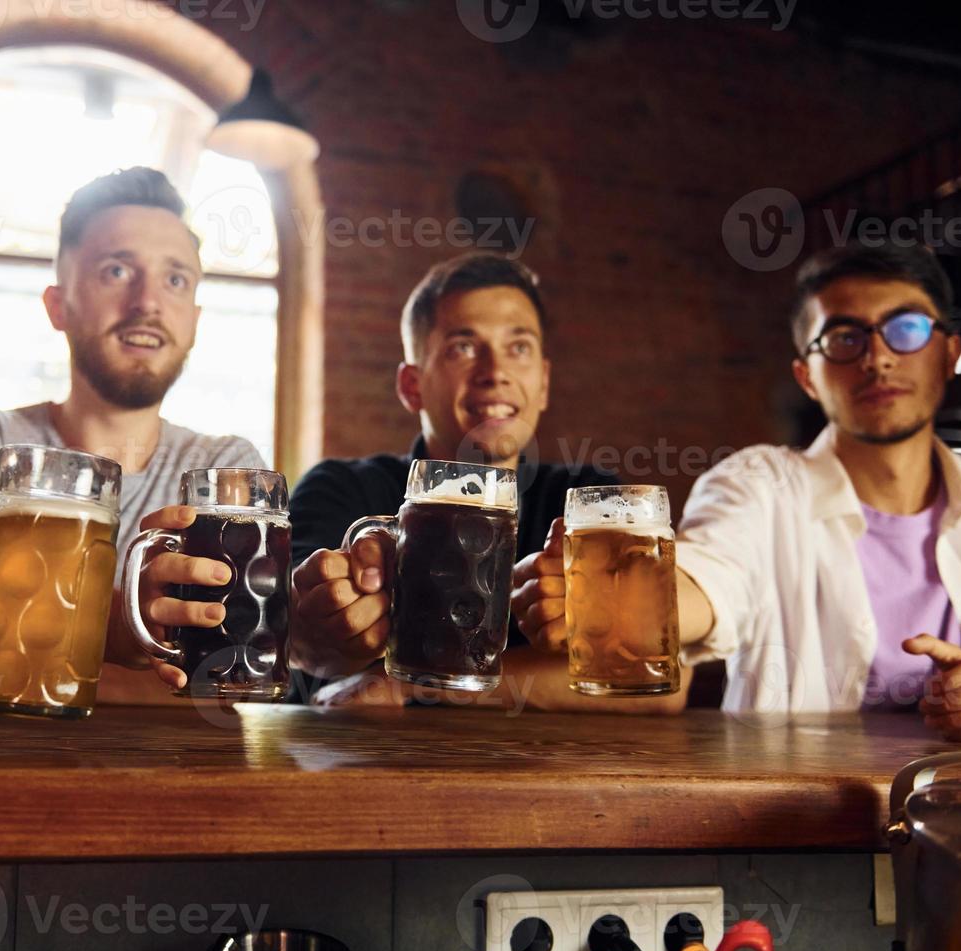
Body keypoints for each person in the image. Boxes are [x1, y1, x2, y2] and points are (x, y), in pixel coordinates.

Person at [524, 243, 961, 742]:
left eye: (907, 329)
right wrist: (611, 597)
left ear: (949, 354)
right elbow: (709, 583)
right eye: (843, 337)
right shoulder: (758, 485)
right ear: (806, 377)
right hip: (788, 818)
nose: (878, 358)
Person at [0, 167, 265, 699]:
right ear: (58, 306)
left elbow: (220, 681)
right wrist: (132, 638)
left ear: (194, 319)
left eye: (175, 280)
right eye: (117, 271)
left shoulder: (226, 465)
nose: (148, 302)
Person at [287, 252, 685, 713]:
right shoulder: (342, 488)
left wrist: (412, 684)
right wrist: (337, 619)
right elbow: (296, 639)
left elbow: (659, 682)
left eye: (519, 348)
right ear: (411, 386)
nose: (495, 372)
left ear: (543, 383)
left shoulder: (590, 503)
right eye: (463, 347)